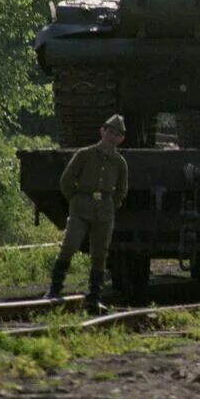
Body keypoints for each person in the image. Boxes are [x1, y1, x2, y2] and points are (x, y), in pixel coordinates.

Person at [46, 114, 130, 313]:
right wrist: (76, 200)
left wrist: (112, 204)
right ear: (102, 131)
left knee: (100, 254)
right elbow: (66, 181)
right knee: (70, 245)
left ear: (121, 139)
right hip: (81, 208)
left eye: (116, 134)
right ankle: (54, 289)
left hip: (104, 210)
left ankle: (94, 296)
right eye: (109, 132)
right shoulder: (85, 154)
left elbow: (122, 189)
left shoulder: (119, 162)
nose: (112, 137)